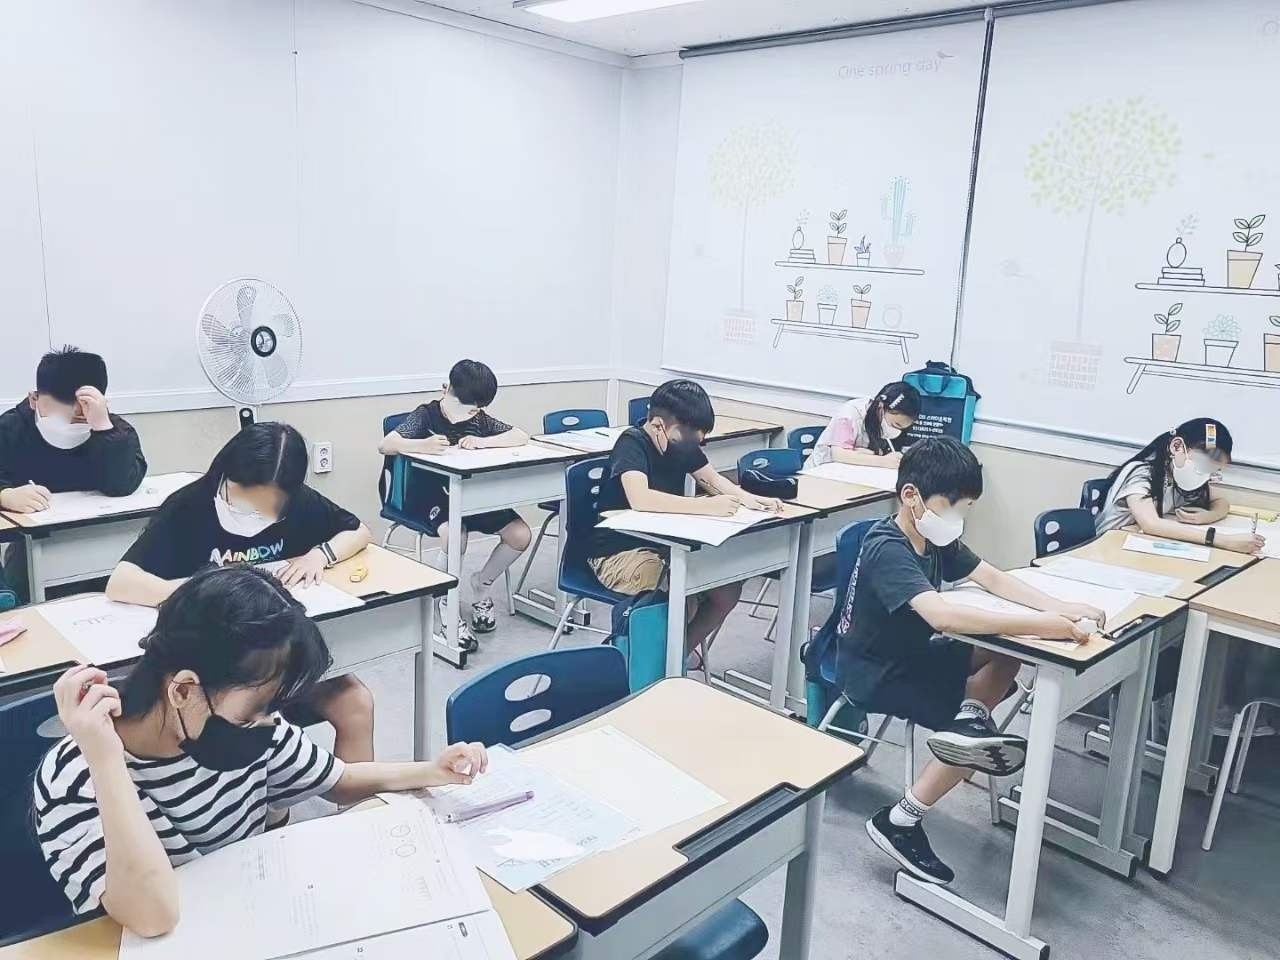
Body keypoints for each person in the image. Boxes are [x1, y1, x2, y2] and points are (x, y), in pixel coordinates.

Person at [33, 565, 487, 937]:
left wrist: (433, 771)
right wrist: (106, 761)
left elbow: (339, 780)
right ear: (184, 690)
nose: (270, 723)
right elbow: (153, 917)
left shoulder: (248, 727)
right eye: (256, 709)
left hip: (251, 920)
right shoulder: (77, 776)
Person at [845, 437, 1105, 886]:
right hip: (877, 672)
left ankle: (970, 722)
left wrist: (1059, 608)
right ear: (911, 496)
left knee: (1005, 655)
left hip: (912, 654)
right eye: (955, 507)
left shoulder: (931, 536)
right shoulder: (888, 546)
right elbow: (942, 617)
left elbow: (991, 578)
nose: (959, 519)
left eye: (966, 509)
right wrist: (1044, 626)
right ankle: (901, 819)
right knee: (977, 742)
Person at [106, 422, 376, 764]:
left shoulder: (299, 503)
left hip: (277, 663)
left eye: (269, 504)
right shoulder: (189, 506)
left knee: (356, 702)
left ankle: (350, 800)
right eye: (245, 495)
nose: (255, 510)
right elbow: (121, 581)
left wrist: (320, 555)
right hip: (215, 676)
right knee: (237, 716)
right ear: (227, 472)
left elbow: (358, 531)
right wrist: (199, 592)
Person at [588, 379, 783, 665]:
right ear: (658, 426)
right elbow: (640, 499)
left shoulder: (681, 442)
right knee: (681, 592)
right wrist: (705, 506)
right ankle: (645, 661)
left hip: (667, 545)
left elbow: (712, 480)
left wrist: (750, 499)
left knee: (727, 590)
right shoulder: (632, 443)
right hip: (619, 551)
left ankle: (672, 657)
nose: (696, 444)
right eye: (691, 437)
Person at [377, 360, 531, 651]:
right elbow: (386, 444)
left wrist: (482, 442)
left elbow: (520, 436)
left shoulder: (478, 419)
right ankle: (447, 602)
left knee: (520, 534)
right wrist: (421, 445)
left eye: (476, 410)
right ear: (447, 390)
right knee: (455, 534)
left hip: (470, 493)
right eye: (468, 408)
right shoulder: (426, 415)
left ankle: (482, 585)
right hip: (427, 495)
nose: (472, 414)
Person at [0, 347, 147, 600]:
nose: (69, 425)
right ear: (33, 399)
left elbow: (122, 485)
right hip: (33, 551)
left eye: (80, 417)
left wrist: (103, 429)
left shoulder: (117, 432)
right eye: (57, 416)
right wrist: (5, 495)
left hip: (103, 547)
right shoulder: (10, 429)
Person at [1094, 418, 1264, 554]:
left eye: (1212, 471)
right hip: (1106, 548)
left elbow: (1221, 502)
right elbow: (1151, 524)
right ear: (1177, 447)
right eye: (1203, 466)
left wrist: (1208, 516)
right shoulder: (1142, 473)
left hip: (1139, 547)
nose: (1205, 475)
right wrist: (1222, 540)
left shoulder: (1179, 475)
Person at [804, 381, 921, 469]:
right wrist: (884, 461)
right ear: (881, 407)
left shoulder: (881, 421)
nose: (897, 431)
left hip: (852, 472)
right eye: (895, 425)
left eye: (902, 428)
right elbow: (838, 455)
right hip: (819, 473)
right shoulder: (850, 414)